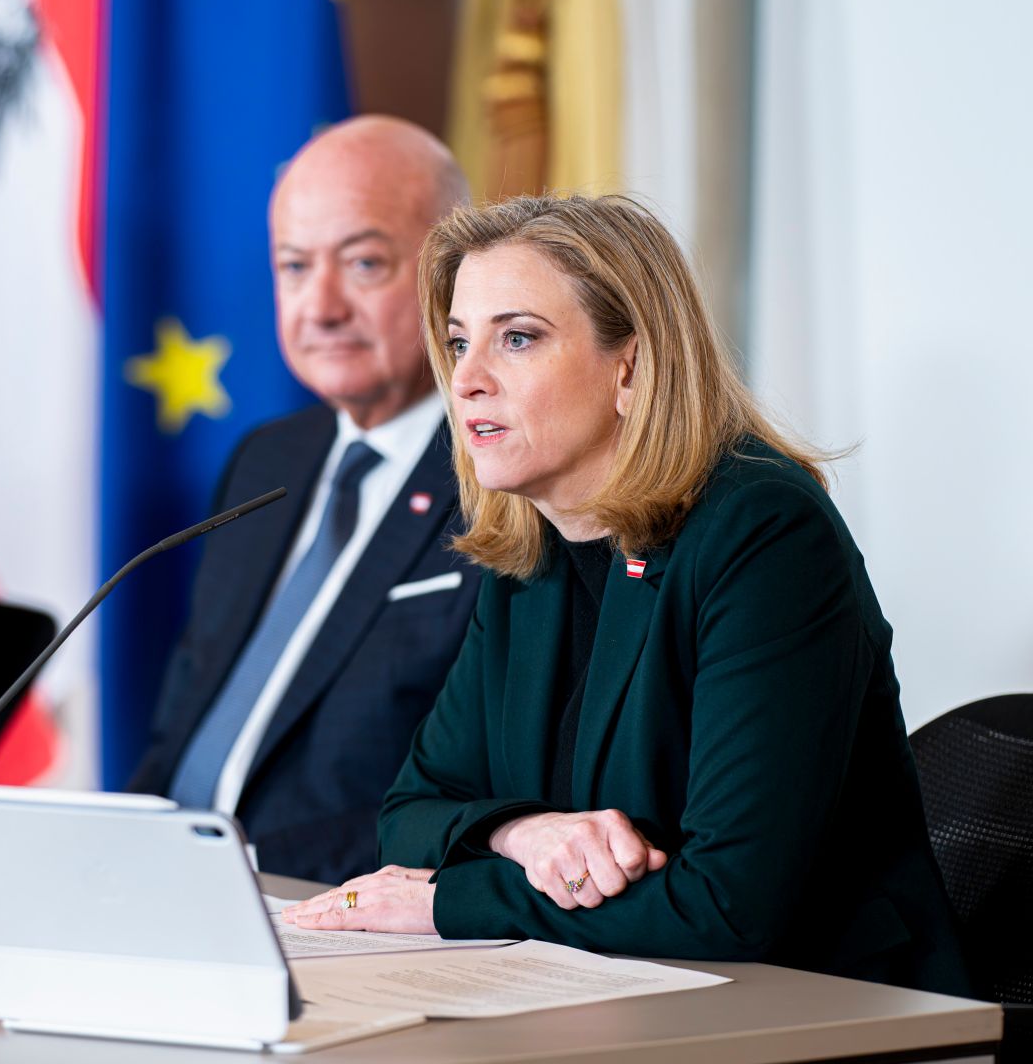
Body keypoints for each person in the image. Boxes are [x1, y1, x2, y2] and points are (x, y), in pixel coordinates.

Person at [284, 194, 969, 995]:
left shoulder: (764, 532)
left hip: (826, 1015)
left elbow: (730, 904)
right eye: (459, 342)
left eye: (518, 338)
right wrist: (524, 832)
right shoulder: (534, 544)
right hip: (609, 995)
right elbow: (411, 809)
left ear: (632, 367)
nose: (466, 381)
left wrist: (445, 902)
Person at [129, 117, 481, 885]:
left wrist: (236, 868)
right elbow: (180, 732)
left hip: (330, 912)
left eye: (362, 263)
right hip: (169, 896)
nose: (319, 307)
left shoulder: (500, 482)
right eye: (293, 266)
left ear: (454, 271)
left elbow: (475, 795)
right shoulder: (268, 459)